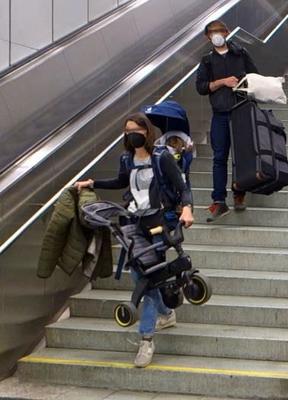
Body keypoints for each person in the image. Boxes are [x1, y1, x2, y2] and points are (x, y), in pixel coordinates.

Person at [75, 113, 194, 368]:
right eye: (127, 130)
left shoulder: (162, 157)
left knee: (149, 277)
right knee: (142, 277)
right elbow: (120, 181)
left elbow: (183, 186)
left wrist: (187, 209)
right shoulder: (126, 158)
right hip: (132, 222)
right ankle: (166, 313)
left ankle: (146, 339)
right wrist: (93, 182)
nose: (132, 134)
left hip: (158, 222)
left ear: (147, 131)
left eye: (136, 129)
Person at [196, 19, 259, 222]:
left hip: (241, 110)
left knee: (242, 155)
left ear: (226, 32)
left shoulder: (240, 53)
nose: (216, 35)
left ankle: (239, 191)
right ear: (208, 37)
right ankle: (219, 200)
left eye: (219, 31)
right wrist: (222, 82)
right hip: (220, 113)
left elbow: (255, 76)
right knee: (219, 157)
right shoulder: (207, 60)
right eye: (212, 33)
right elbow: (201, 87)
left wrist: (241, 82)